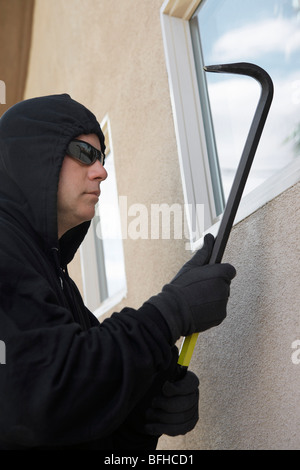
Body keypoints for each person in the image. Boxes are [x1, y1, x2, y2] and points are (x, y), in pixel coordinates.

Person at [0, 94, 236, 450]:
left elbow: (77, 415)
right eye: (84, 153)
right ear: (33, 156)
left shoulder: (54, 277)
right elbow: (43, 392)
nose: (101, 171)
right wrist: (169, 313)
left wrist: (144, 409)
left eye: (102, 157)